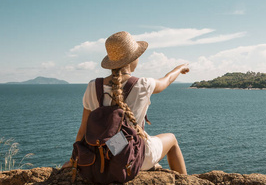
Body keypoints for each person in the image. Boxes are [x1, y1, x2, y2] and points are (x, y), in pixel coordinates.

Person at [63, 31, 188, 175]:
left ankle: (153, 165)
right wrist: (179, 68)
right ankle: (185, 182)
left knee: (119, 143)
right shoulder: (143, 84)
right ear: (132, 59)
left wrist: (74, 159)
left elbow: (82, 131)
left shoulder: (93, 86)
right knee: (171, 139)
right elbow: (166, 80)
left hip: (101, 158)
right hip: (131, 157)